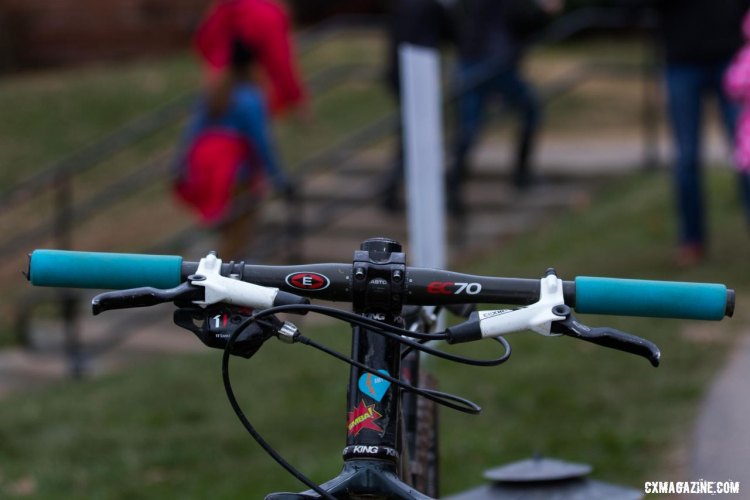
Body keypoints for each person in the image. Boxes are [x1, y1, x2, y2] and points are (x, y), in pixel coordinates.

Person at [175, 0, 306, 260]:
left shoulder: (215, 93)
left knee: (226, 238)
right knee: (238, 242)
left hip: (210, 177)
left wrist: (180, 168)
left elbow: (192, 132)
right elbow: (261, 142)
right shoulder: (250, 98)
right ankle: (209, 289)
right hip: (238, 178)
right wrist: (279, 178)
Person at [626, 0, 750, 266]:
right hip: (681, 59)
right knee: (687, 158)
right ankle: (691, 240)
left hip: (730, 55)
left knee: (747, 153)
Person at [447, 0, 563, 216]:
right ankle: (520, 177)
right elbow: (521, 21)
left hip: (472, 61)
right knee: (529, 110)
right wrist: (545, 11)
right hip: (493, 64)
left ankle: (453, 188)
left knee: (469, 129)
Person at [379, 0, 455, 211]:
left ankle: (394, 189)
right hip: (418, 76)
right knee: (414, 135)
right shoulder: (433, 6)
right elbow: (451, 33)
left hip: (399, 71)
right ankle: (393, 189)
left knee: (410, 133)